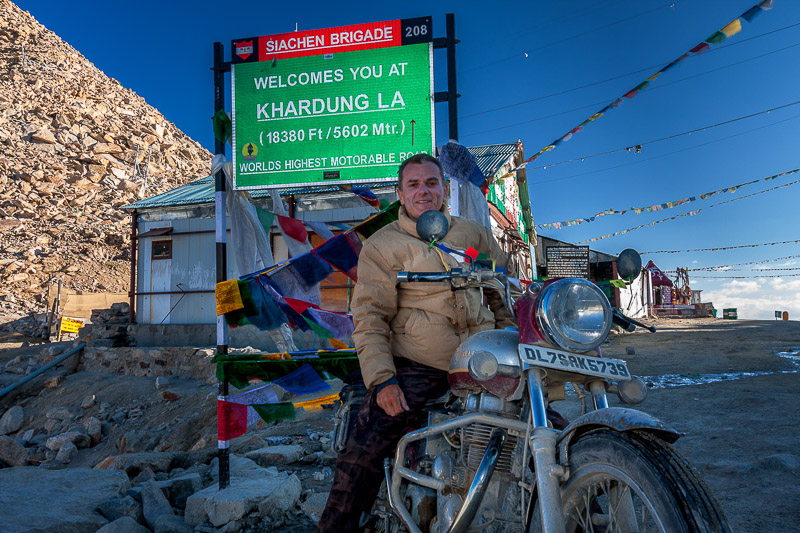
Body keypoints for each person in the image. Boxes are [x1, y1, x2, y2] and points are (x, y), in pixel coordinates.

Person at [318, 154, 516, 532]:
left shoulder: (473, 234)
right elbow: (370, 315)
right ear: (400, 193)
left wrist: (511, 345)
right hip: (419, 363)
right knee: (366, 445)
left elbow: (500, 292)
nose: (423, 191)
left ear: (444, 190)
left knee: (550, 430)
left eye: (431, 183)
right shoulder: (383, 244)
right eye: (413, 184)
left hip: (483, 362)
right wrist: (382, 380)